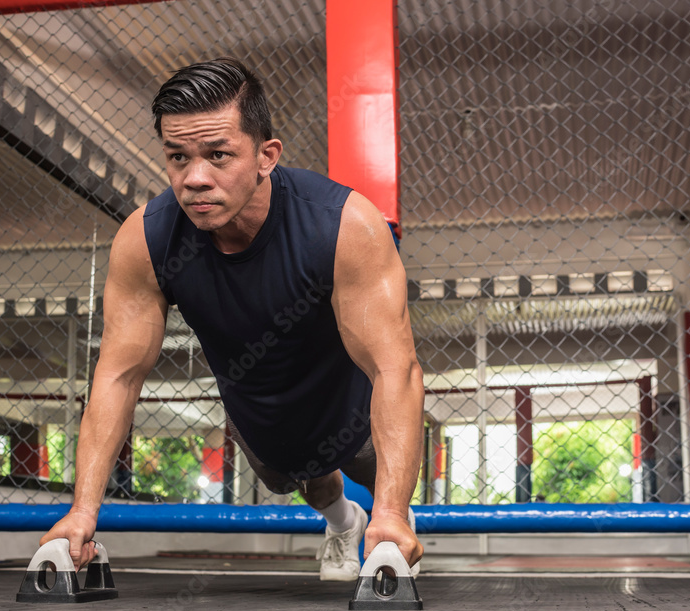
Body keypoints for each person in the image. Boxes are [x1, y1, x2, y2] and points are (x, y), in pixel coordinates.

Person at [40, 57, 425, 581]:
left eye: (219, 155)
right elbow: (118, 374)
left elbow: (394, 369)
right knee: (306, 482)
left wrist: (394, 516)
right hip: (259, 408)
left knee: (382, 474)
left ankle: (377, 520)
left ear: (267, 156)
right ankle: (343, 523)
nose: (195, 178)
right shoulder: (147, 240)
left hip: (354, 405)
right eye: (178, 157)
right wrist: (82, 511)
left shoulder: (342, 224)